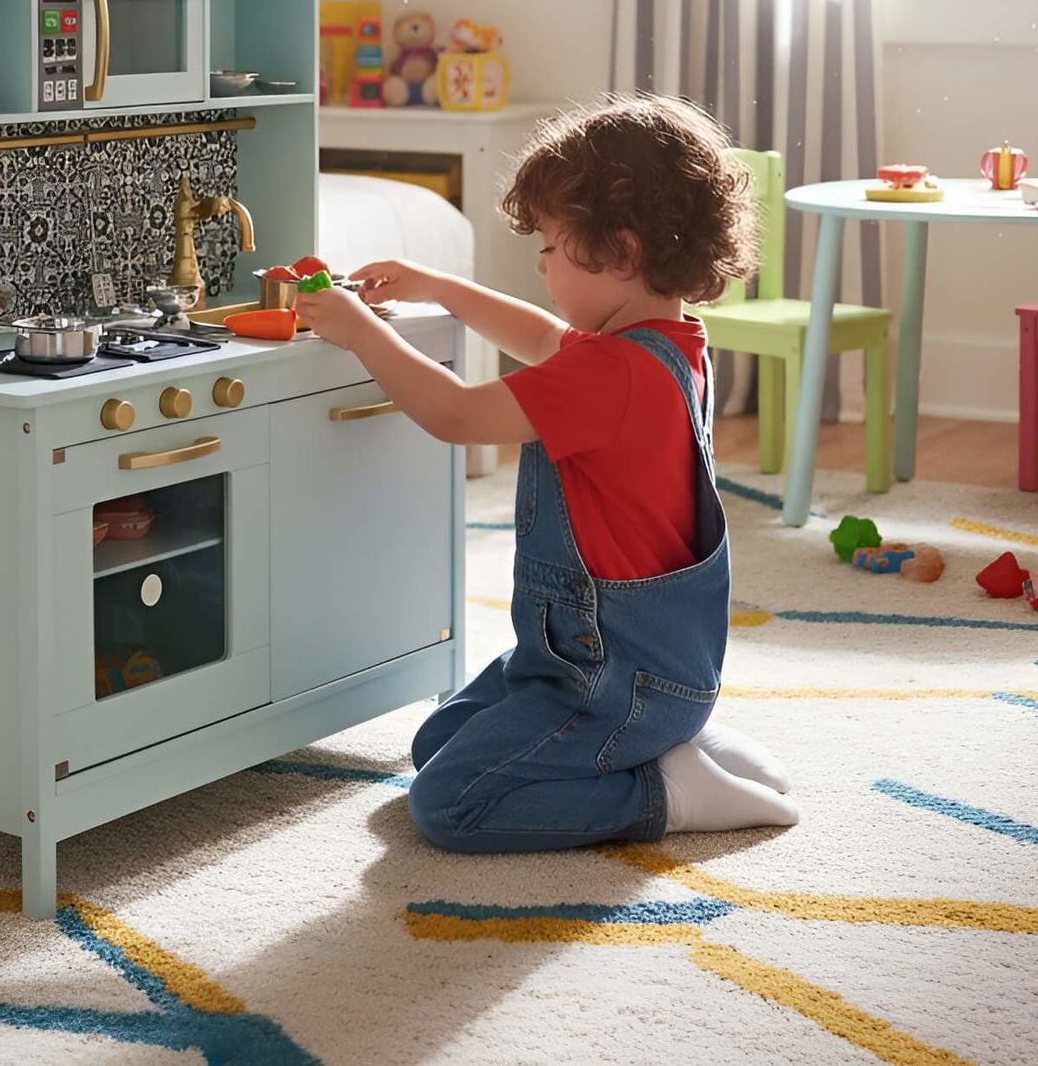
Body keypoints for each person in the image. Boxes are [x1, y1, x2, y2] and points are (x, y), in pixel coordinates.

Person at [295, 93, 799, 852]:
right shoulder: (663, 343)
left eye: (553, 246)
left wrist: (359, 329)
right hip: (612, 662)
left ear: (621, 251)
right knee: (438, 741)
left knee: (451, 802)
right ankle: (673, 738)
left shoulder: (611, 374)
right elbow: (542, 336)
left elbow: (456, 414)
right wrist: (439, 286)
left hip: (608, 676)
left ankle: (666, 790)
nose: (540, 263)